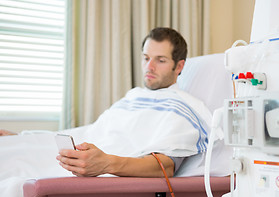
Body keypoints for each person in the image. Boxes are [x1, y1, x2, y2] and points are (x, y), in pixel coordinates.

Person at [0, 27, 211, 179]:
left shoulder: (184, 108)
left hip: (104, 174)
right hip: (85, 163)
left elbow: (165, 166)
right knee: (9, 153)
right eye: (146, 58)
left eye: (160, 60)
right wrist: (23, 138)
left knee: (12, 182)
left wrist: (106, 163)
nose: (150, 66)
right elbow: (91, 132)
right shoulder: (133, 97)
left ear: (179, 66)